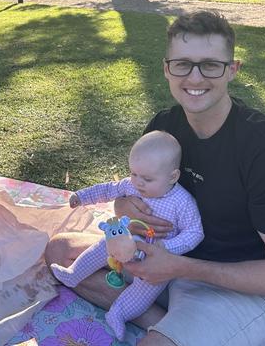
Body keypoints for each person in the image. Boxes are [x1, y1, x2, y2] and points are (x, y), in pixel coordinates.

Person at [45, 11, 265, 346]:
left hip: (238, 289)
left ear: (233, 70)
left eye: (211, 65)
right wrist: (126, 206)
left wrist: (181, 267)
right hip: (157, 265)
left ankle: (172, 331)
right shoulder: (165, 128)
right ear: (166, 68)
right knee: (60, 250)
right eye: (183, 64)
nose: (195, 77)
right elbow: (132, 197)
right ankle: (159, 321)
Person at [50, 131, 203, 341]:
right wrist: (82, 196)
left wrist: (167, 248)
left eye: (147, 179)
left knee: (148, 287)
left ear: (173, 177)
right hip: (129, 243)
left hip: (156, 257)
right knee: (106, 243)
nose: (138, 183)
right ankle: (73, 273)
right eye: (133, 174)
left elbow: (195, 233)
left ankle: (119, 313)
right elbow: (108, 190)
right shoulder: (132, 185)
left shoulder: (182, 202)